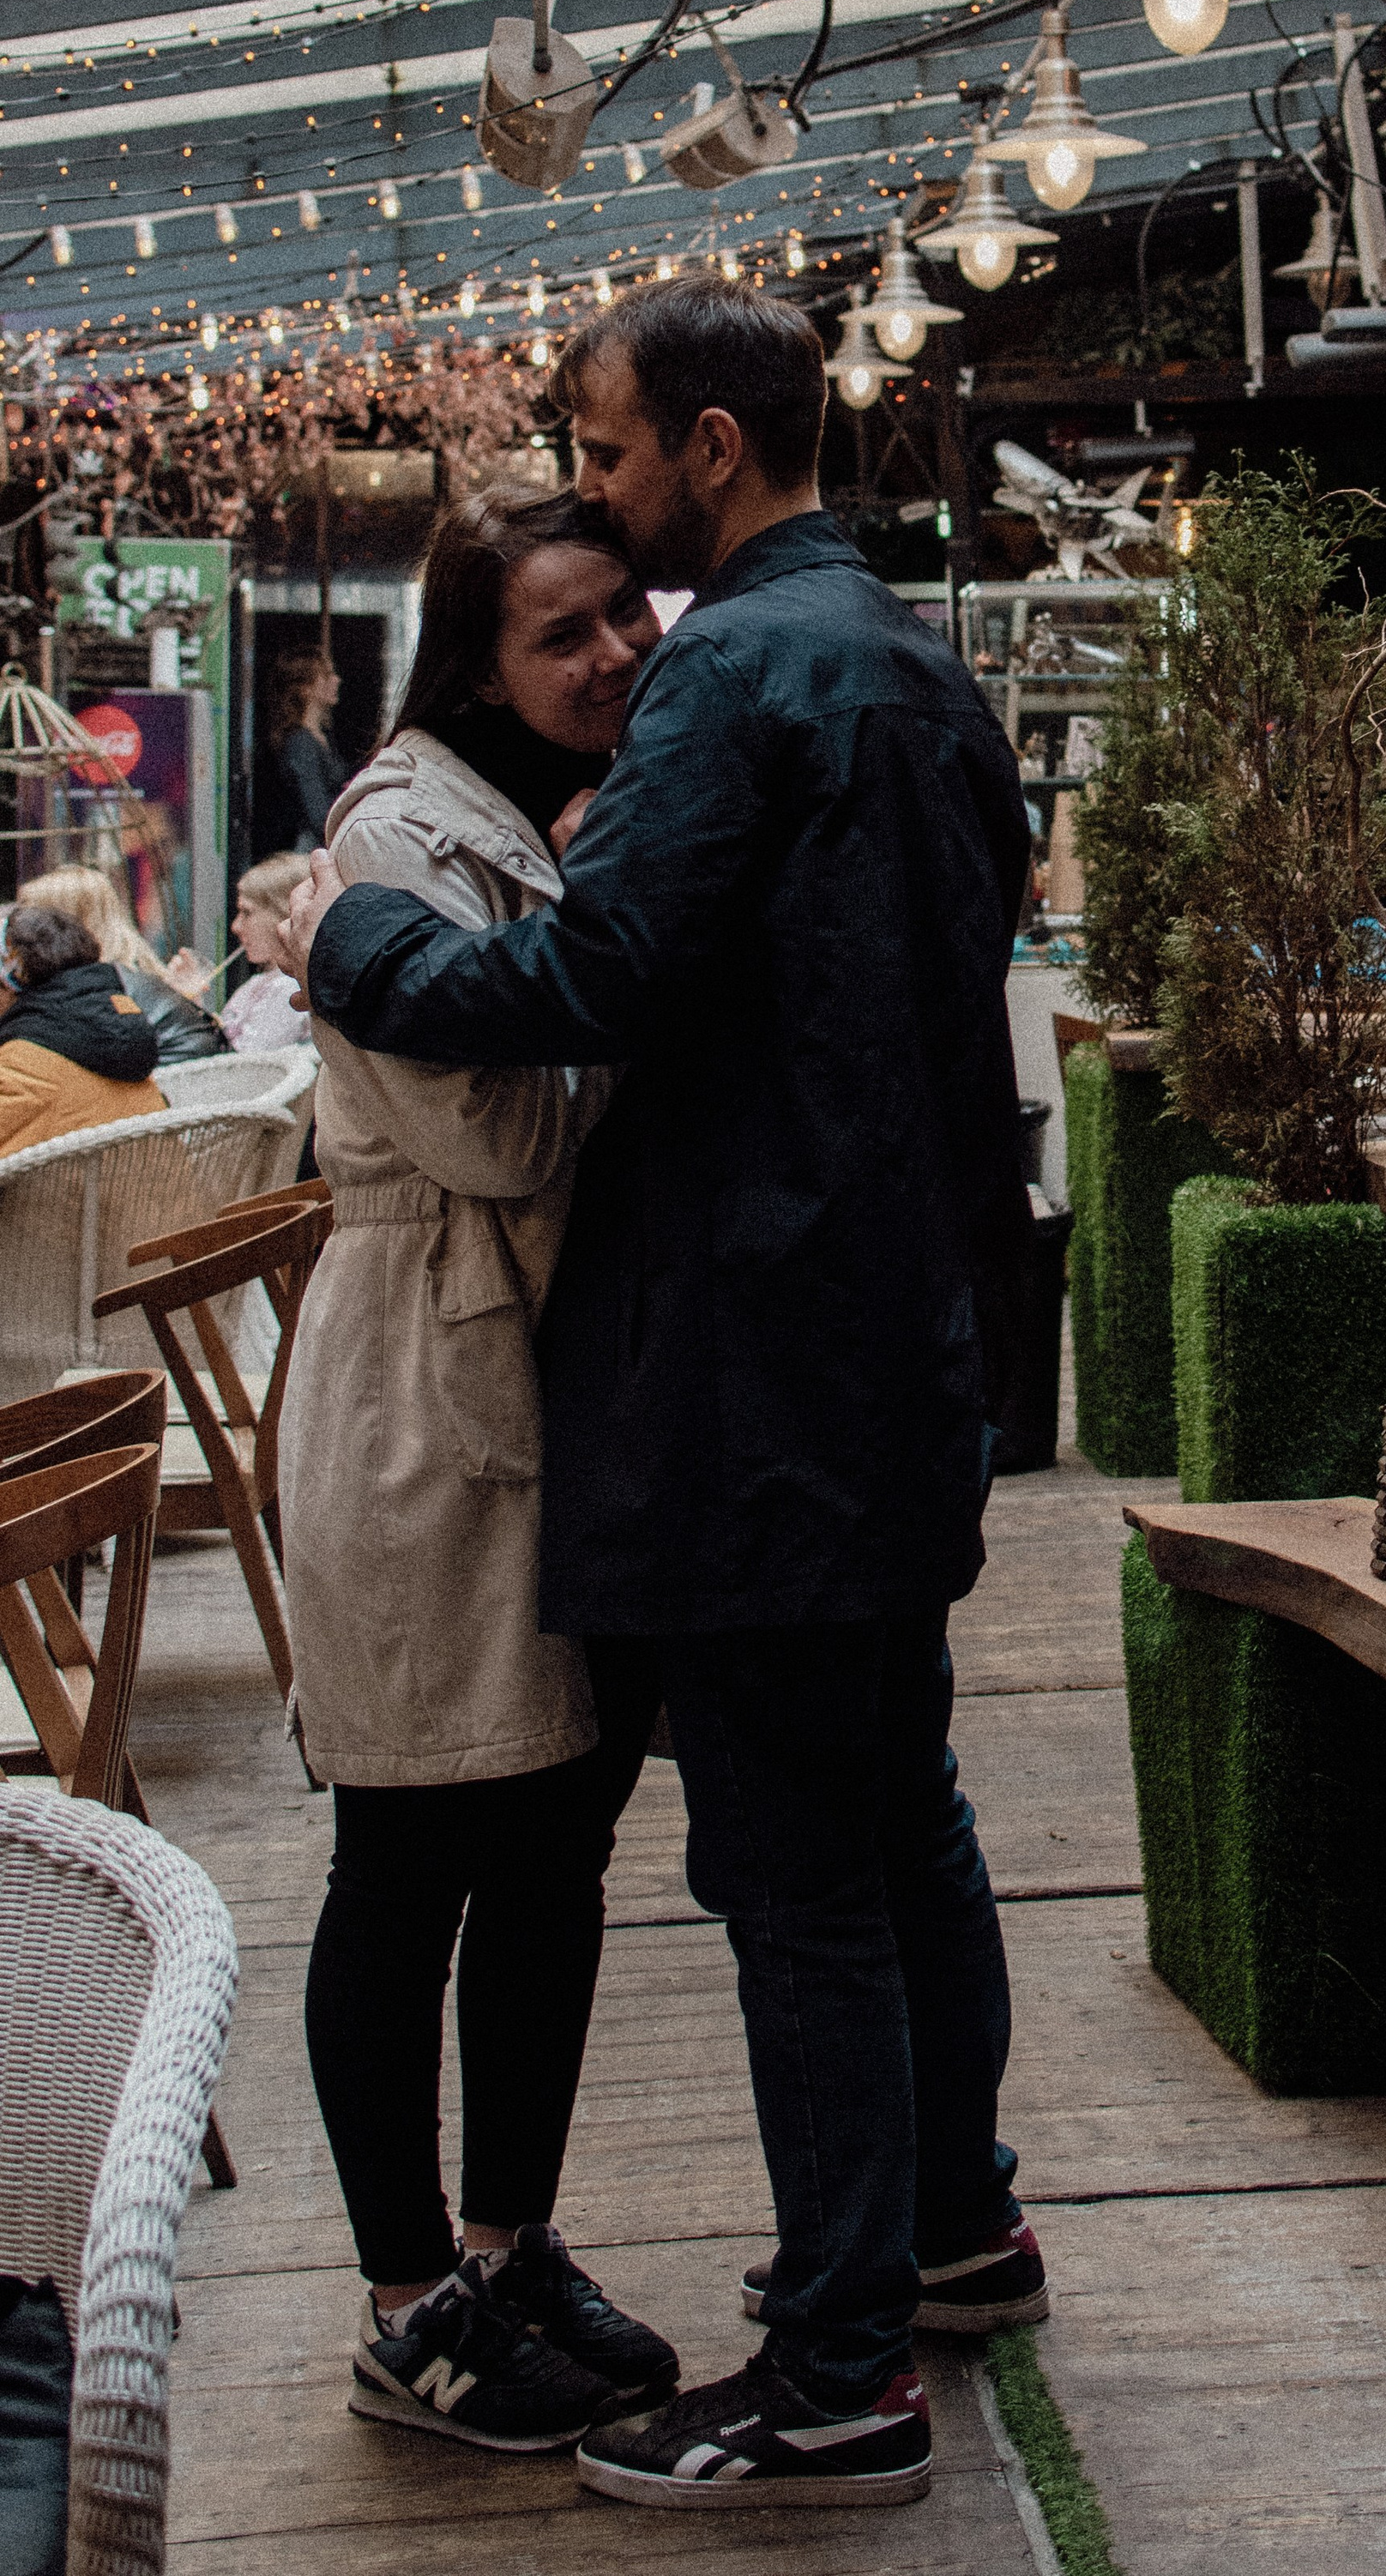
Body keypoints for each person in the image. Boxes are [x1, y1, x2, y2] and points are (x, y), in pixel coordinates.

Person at [281, 280, 1040, 2517]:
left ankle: (830, 2382)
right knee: (900, 1818)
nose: (598, 488)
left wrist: (352, 949)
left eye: (610, 452)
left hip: (760, 1360)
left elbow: (590, 979)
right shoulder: (914, 654)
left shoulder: (738, 665)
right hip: (897, 1341)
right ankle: (948, 2229)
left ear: (708, 445)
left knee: (799, 1871)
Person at [280, 481, 681, 2456]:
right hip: (418, 1406)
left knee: (548, 1850)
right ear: (479, 659)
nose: (609, 655)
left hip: (528, 1387)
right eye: (561, 632)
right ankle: (400, 2295)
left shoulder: (521, 818)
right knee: (410, 1846)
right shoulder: (401, 830)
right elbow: (509, 1140)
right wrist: (638, 983)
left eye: (624, 614)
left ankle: (507, 2247)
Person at [13, 866, 226, 1063]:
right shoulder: (133, 972)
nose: (16, 934)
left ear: (58, 926)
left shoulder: (98, 985)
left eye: (27, 919)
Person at [0, 904, 165, 1158]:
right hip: (161, 1195)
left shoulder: (24, 1063)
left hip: (72, 1197)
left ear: (10, 983)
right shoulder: (115, 1028)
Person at [220, 854, 316, 1052]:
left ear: (285, 913)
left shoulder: (287, 989)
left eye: (247, 912)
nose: (236, 927)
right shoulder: (259, 983)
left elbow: (246, 1068)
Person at [263, 646, 349, 848]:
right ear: (305, 688)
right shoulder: (301, 744)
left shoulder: (322, 736)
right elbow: (318, 814)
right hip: (308, 850)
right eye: (326, 675)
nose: (336, 680)